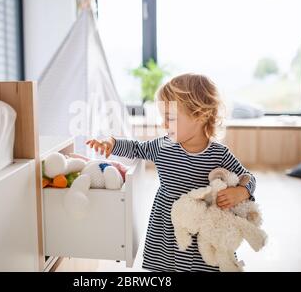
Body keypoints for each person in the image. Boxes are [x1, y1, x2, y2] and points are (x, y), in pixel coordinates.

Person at [86, 73, 256, 272]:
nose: (164, 124)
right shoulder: (163, 146)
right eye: (162, 117)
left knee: (204, 265)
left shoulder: (219, 154)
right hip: (166, 224)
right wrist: (112, 144)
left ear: (200, 115)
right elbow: (137, 148)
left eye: (170, 118)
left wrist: (242, 191)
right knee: (166, 267)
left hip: (201, 226)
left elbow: (248, 177)